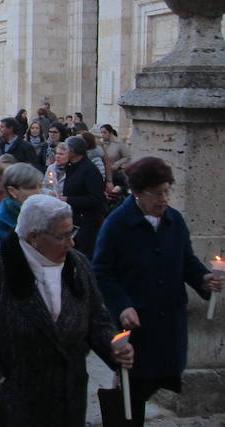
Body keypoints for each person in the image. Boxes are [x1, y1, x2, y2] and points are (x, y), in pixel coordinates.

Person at [0, 195, 133, 427]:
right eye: (62, 236)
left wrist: (114, 347)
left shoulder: (78, 264)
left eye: (72, 232)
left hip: (67, 400)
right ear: (34, 237)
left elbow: (97, 318)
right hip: (13, 404)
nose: (71, 243)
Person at [93, 157, 222, 425]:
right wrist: (122, 305)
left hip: (168, 325)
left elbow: (187, 261)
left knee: (155, 381)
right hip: (136, 324)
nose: (163, 199)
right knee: (130, 395)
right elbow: (102, 272)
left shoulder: (174, 220)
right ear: (137, 192)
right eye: (156, 193)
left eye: (166, 191)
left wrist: (204, 279)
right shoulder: (117, 224)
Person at [59, 135, 105, 258]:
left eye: (66, 149)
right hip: (74, 218)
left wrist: (68, 199)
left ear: (73, 151)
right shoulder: (71, 166)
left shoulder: (89, 170)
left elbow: (95, 198)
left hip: (86, 222)